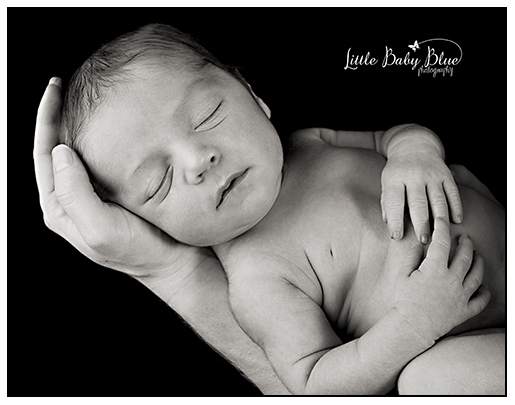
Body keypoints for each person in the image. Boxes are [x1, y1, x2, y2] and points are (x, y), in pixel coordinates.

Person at [35, 24, 505, 395]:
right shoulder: (257, 278)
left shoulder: (310, 142)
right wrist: (415, 324)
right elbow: (316, 382)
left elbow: (394, 136)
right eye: (157, 182)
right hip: (478, 336)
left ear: (253, 94)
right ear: (146, 222)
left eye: (208, 115)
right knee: (430, 381)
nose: (199, 160)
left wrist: (414, 152)